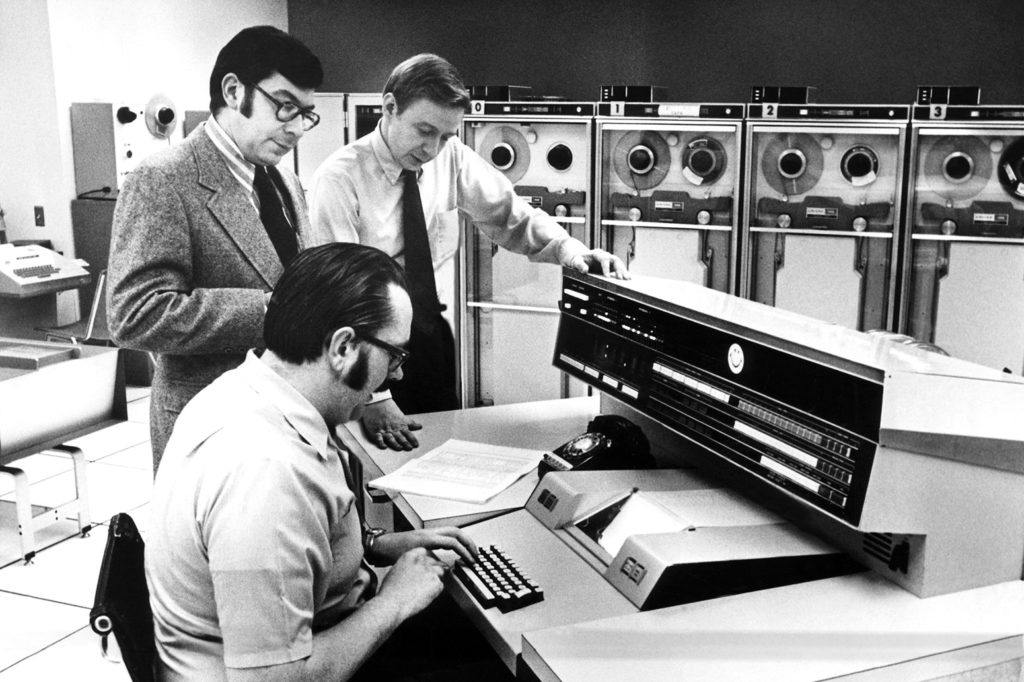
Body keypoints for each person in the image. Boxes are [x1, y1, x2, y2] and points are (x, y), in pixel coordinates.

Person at [146, 243, 486, 681]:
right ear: (343, 346)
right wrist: (395, 601)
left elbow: (299, 539)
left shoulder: (243, 392)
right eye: (393, 355)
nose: (397, 375)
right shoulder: (266, 473)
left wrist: (376, 545)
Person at [309, 53, 629, 453]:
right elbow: (338, 299)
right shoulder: (338, 180)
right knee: (378, 465)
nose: (432, 148)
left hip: (428, 334)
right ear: (390, 107)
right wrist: (374, 395)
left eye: (445, 135)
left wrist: (572, 251)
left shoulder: (451, 156)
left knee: (440, 451)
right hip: (364, 344)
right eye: (424, 130)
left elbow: (509, 215)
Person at [107, 25, 323, 472]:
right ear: (233, 90)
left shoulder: (284, 181)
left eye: (307, 113)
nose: (298, 127)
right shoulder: (165, 178)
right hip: (208, 432)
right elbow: (134, 314)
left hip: (286, 419)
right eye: (285, 107)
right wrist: (271, 313)